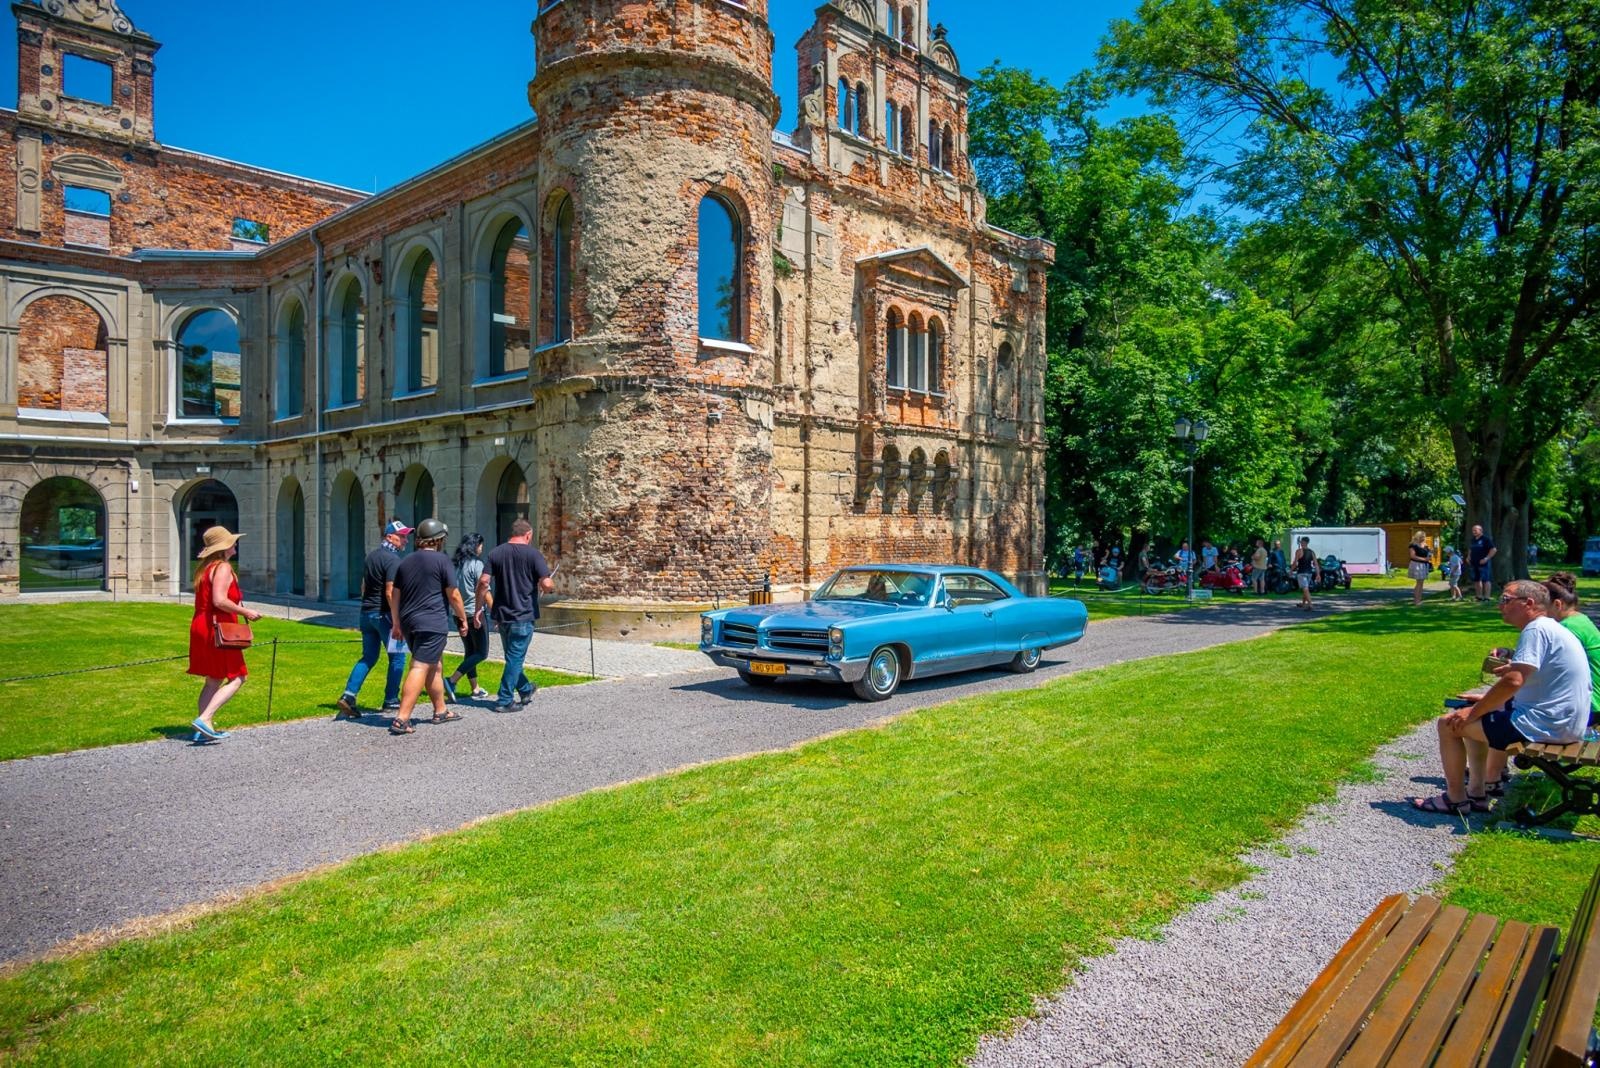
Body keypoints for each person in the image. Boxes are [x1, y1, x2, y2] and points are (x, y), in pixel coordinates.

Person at [1411, 580, 1591, 815]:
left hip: (1548, 725)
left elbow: (1513, 681)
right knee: (1475, 713)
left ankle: (1455, 799)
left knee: (1449, 724)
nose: (1500, 606)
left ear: (1529, 603)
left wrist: (1473, 713)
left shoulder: (1536, 629)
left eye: (1505, 600)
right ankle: (1476, 793)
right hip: (1564, 723)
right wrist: (1484, 703)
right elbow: (1527, 678)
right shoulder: (1550, 628)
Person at [387, 518, 469, 736]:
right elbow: (454, 594)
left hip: (408, 622)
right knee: (420, 666)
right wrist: (463, 618)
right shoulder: (442, 561)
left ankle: (440, 710)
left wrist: (396, 623)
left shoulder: (405, 562)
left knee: (435, 665)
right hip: (431, 622)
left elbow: (395, 595)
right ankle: (402, 718)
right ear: (438, 540)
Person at [187, 526, 262, 742]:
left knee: (213, 679)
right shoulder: (223, 568)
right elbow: (219, 600)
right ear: (224, 547)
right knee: (238, 676)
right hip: (218, 627)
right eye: (232, 541)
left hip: (203, 624)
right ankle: (205, 719)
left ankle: (202, 730)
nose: (235, 544)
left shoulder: (206, 568)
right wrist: (246, 611)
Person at [336, 520, 413, 720]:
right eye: (402, 536)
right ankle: (390, 699)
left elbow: (363, 586)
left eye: (406, 535)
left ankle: (349, 695)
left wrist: (367, 606)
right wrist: (397, 621)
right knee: (398, 657)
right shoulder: (393, 560)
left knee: (368, 657)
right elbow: (390, 591)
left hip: (366, 613)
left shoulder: (372, 556)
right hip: (384, 615)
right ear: (390, 537)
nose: (405, 539)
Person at [479, 517, 555, 714]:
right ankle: (504, 699)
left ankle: (525, 688)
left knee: (512, 656)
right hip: (523, 614)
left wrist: (480, 608)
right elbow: (546, 585)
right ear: (528, 535)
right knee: (515, 658)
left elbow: (483, 581)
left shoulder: (496, 552)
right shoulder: (533, 554)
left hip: (502, 614)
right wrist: (549, 586)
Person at [444, 533, 491, 701]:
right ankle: (451, 680)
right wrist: (494, 610)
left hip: (458, 614)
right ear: (475, 546)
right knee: (482, 653)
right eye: (480, 545)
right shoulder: (477, 564)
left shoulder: (454, 564)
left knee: (470, 651)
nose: (481, 549)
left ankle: (475, 688)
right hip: (474, 613)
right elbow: (483, 589)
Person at [1547, 573, 1600, 720]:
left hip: (1589, 706)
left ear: (1557, 604)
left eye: (1542, 605)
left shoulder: (1566, 628)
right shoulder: (1580, 619)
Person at [1469, 523, 1497, 602]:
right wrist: (1468, 557)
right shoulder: (1473, 540)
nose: (1473, 532)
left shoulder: (1485, 539)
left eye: (1475, 530)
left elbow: (1494, 549)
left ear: (1480, 531)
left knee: (1486, 580)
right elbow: (1471, 549)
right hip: (1474, 563)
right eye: (1473, 530)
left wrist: (1486, 558)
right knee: (1477, 580)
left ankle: (1487, 597)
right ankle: (1479, 596)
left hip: (1484, 563)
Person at [1293, 536, 1319, 611]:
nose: (1300, 543)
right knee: (1305, 588)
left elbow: (1295, 563)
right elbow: (1316, 564)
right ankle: (1303, 603)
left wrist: (1291, 570)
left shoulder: (1299, 551)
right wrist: (1318, 574)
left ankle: (1310, 604)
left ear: (1303, 542)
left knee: (1305, 588)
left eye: (1301, 541)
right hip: (1309, 573)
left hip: (1301, 572)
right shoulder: (1312, 552)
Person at [1407, 530, 1432, 607]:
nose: (1424, 538)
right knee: (1419, 582)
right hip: (1416, 564)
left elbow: (1428, 555)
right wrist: (1424, 559)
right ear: (1418, 537)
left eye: (1424, 537)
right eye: (1422, 537)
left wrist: (1430, 554)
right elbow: (1412, 556)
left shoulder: (1426, 545)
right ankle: (1416, 600)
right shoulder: (1413, 545)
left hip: (1424, 565)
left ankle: (1419, 599)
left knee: (1421, 583)